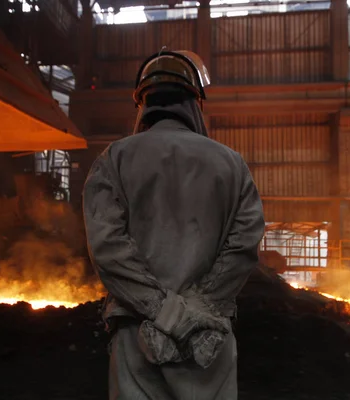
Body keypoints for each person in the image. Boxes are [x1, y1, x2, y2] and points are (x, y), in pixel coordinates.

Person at [82, 50, 265, 400]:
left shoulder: (114, 160)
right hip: (207, 338)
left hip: (138, 332)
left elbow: (108, 250)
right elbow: (243, 248)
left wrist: (163, 312)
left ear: (143, 104)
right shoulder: (231, 165)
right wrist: (196, 310)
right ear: (195, 102)